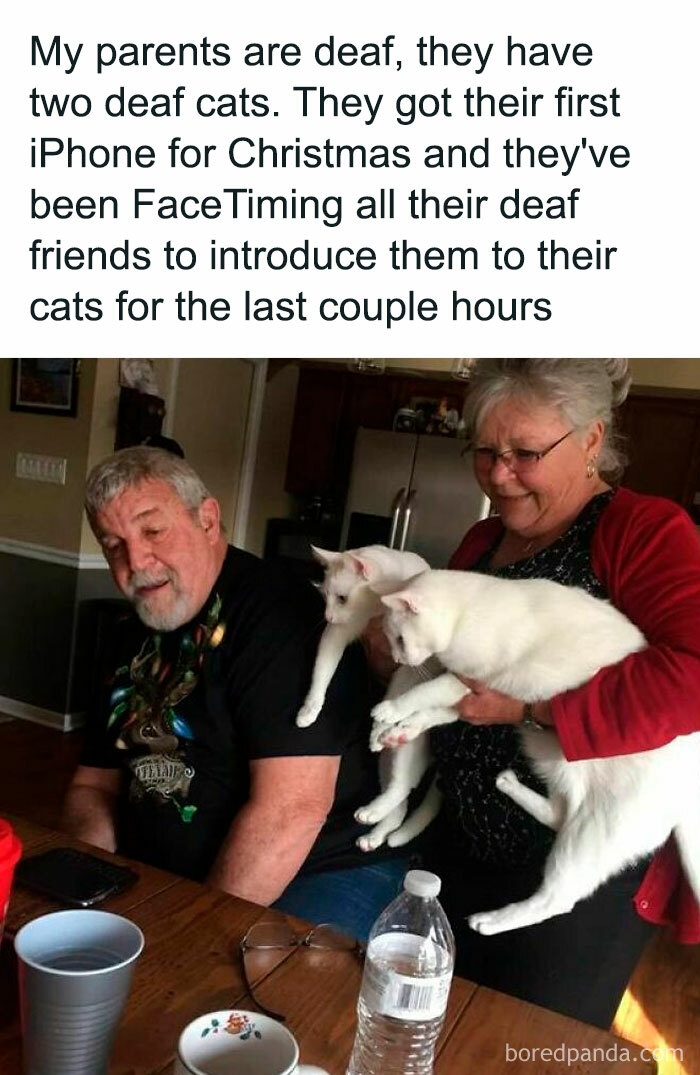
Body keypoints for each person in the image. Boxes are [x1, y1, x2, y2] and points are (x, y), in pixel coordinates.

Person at [367, 358, 700, 1027]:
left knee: (524, 1047)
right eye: (485, 451)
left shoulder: (643, 532)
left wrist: (532, 710)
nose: (497, 473)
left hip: (577, 864)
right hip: (458, 843)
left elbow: (693, 673)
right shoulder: (484, 539)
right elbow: (461, 677)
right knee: (429, 1027)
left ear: (591, 440)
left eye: (525, 452)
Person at [62, 447, 407, 939]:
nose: (135, 561)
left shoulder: (279, 616)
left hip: (323, 865)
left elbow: (291, 812)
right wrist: (84, 889)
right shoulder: (130, 632)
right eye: (113, 544)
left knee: (225, 996)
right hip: (175, 875)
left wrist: (189, 933)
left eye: (152, 530)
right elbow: (92, 787)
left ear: (207, 520)